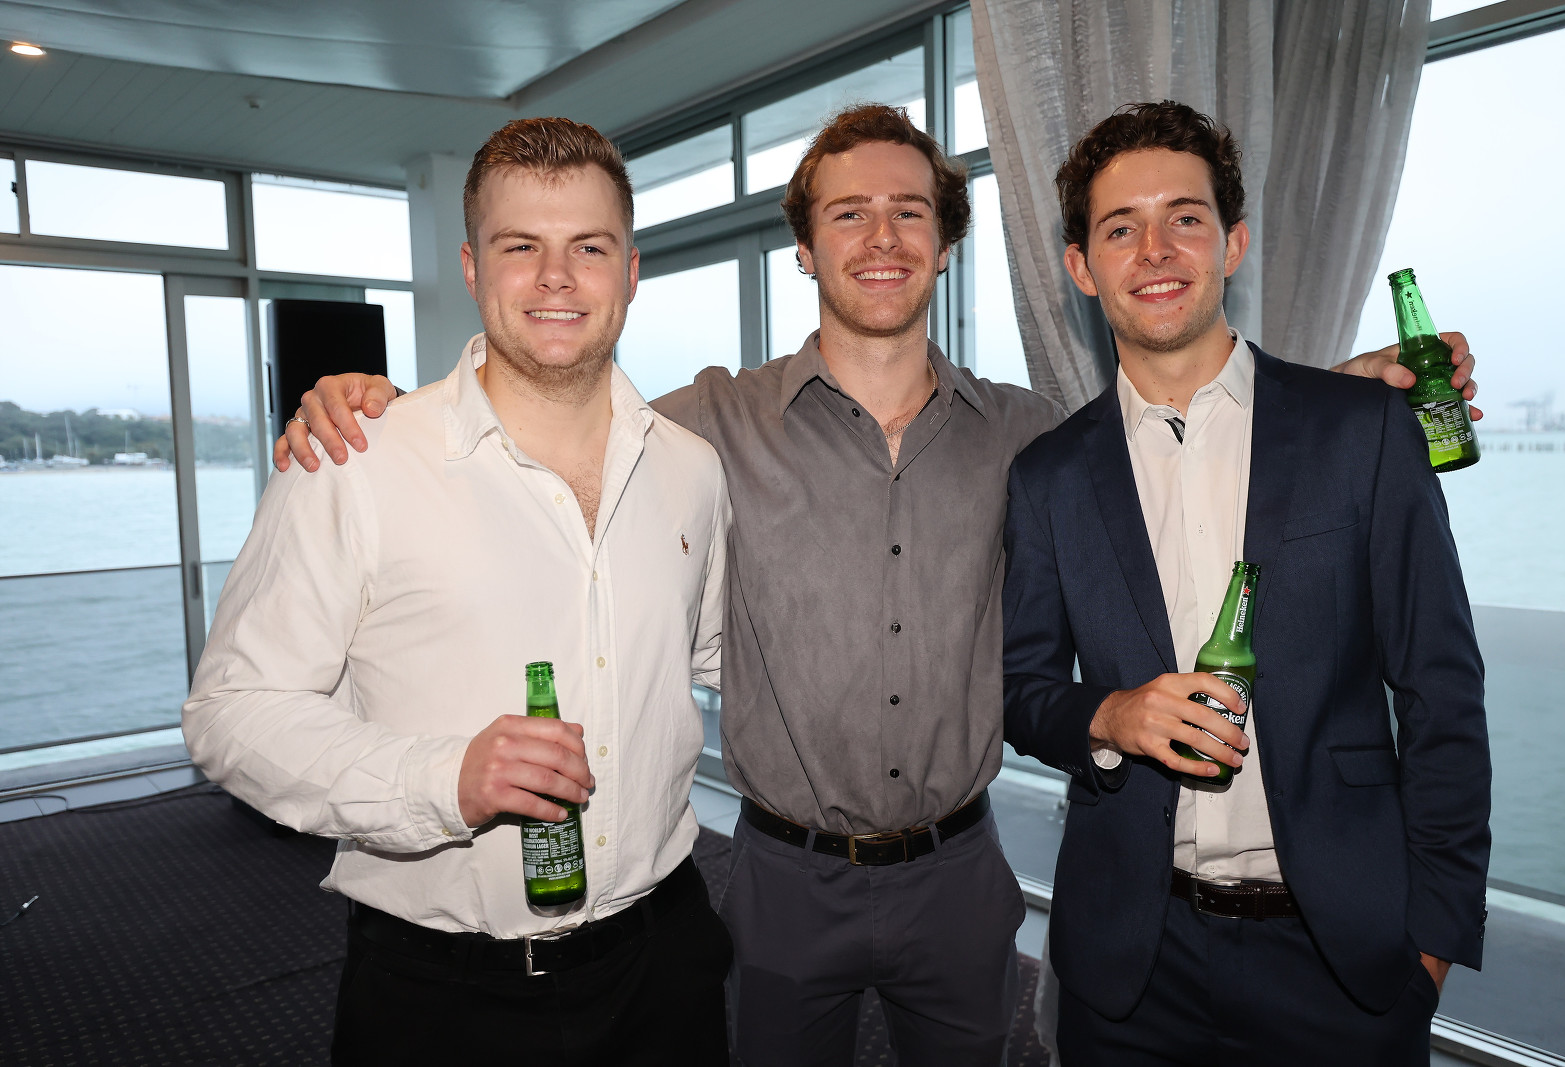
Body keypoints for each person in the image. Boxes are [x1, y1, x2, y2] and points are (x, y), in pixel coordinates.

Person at [275, 104, 1480, 1066]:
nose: (882, 236)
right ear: (804, 248)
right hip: (781, 879)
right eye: (846, 213)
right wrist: (380, 402)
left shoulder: (1028, 437)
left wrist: (1336, 391)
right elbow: (551, 392)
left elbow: (1180, 428)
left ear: (945, 242)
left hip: (961, 876)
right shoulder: (704, 426)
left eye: (910, 211)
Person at [183, 117, 733, 1066]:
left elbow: (714, 653)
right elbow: (231, 712)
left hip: (664, 962)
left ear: (631, 270)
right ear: (474, 268)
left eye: (589, 247)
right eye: (522, 247)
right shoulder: (356, 460)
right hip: (442, 994)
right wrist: (444, 780)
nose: (556, 277)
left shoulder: (692, 469)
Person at [1002, 100, 1490, 1065]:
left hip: (1342, 963)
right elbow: (1021, 690)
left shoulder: (1361, 428)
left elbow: (1442, 689)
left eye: (1184, 218)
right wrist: (1110, 715)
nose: (1155, 250)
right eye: (1120, 228)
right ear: (1081, 267)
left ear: (1232, 243)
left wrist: (1432, 945)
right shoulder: (1047, 476)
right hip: (1130, 968)